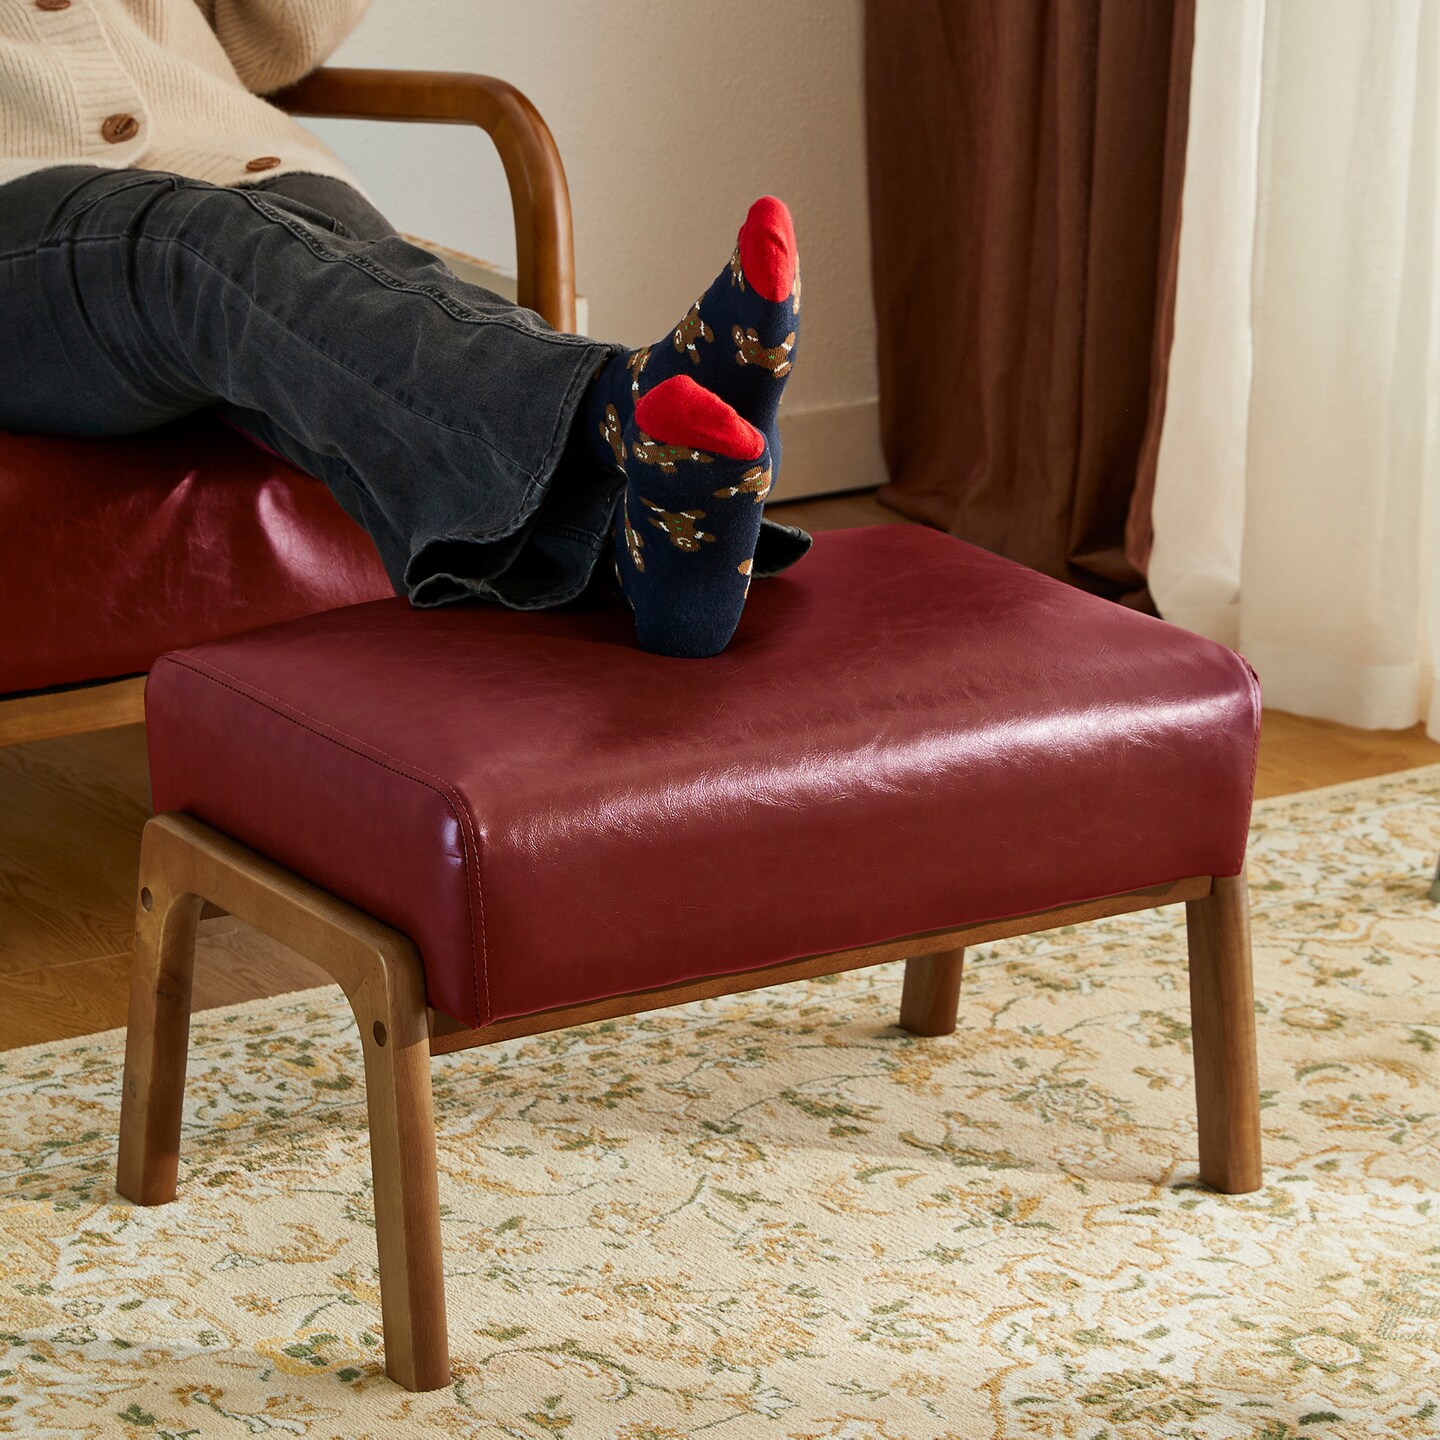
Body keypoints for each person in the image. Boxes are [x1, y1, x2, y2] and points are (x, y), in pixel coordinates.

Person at [0, 0, 809, 658]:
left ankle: (669, 569)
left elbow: (272, 41)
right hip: (25, 204)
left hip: (235, 163)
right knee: (194, 249)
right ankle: (620, 400)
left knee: (361, 298)